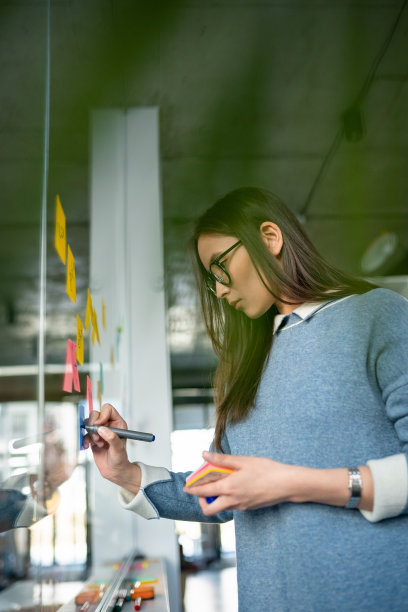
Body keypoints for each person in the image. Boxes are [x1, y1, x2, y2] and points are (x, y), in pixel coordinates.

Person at [85, 187, 408, 611]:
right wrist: (125, 473)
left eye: (220, 266)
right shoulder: (244, 365)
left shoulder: (377, 316)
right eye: (210, 278)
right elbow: (219, 492)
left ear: (270, 238)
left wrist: (291, 483)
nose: (218, 291)